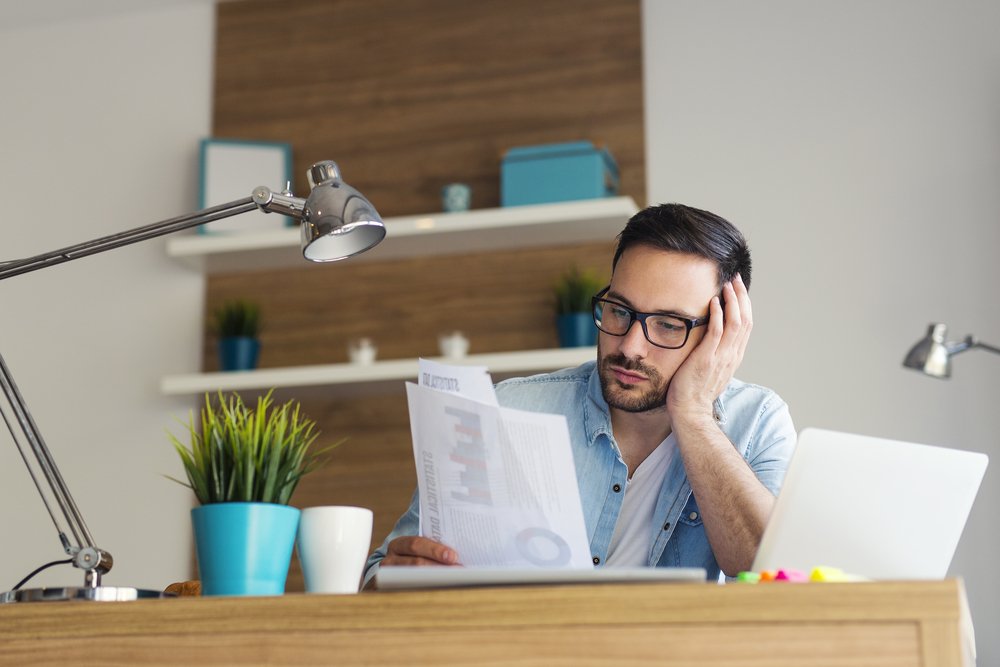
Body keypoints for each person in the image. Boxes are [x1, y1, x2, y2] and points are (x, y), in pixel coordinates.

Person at [363, 203, 795, 585]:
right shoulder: (504, 411)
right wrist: (394, 578)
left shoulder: (758, 422)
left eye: (668, 324)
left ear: (723, 333)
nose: (628, 346)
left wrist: (695, 413)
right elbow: (380, 574)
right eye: (619, 311)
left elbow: (768, 576)